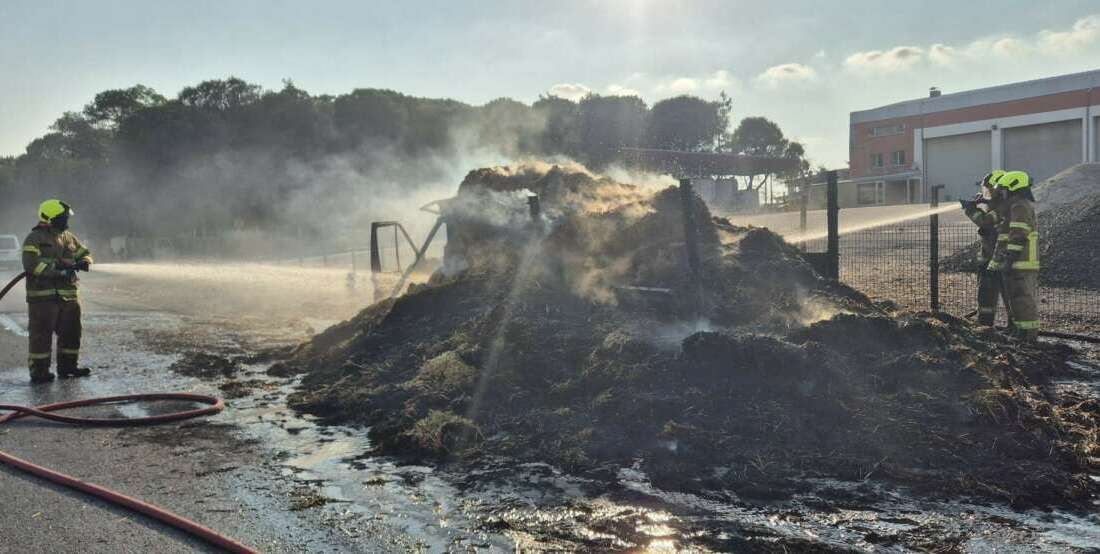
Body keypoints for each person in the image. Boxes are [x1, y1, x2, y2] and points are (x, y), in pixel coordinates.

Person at [20, 199, 93, 384]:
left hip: (68, 295)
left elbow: (84, 252)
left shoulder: (68, 236)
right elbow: (31, 265)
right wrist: (59, 270)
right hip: (43, 297)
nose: (66, 220)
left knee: (72, 332)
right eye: (63, 217)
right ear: (50, 217)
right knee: (41, 336)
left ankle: (68, 368)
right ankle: (39, 372)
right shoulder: (34, 238)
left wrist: (85, 261)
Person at [987, 171, 1040, 341]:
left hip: (1022, 261)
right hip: (1017, 260)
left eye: (1003, 190)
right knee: (1015, 299)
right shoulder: (1014, 206)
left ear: (1013, 188)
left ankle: (1028, 335)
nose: (1001, 193)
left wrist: (1009, 258)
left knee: (1023, 299)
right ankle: (1018, 331)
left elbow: (1018, 234)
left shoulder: (1020, 206)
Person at [961, 170, 1007, 326]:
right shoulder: (998, 204)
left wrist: (970, 209)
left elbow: (984, 222)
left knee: (995, 296)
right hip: (992, 259)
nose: (987, 193)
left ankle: (988, 327)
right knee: (987, 297)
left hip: (996, 259)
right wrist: (982, 204)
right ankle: (985, 327)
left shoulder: (1003, 206)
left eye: (990, 189)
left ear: (999, 188)